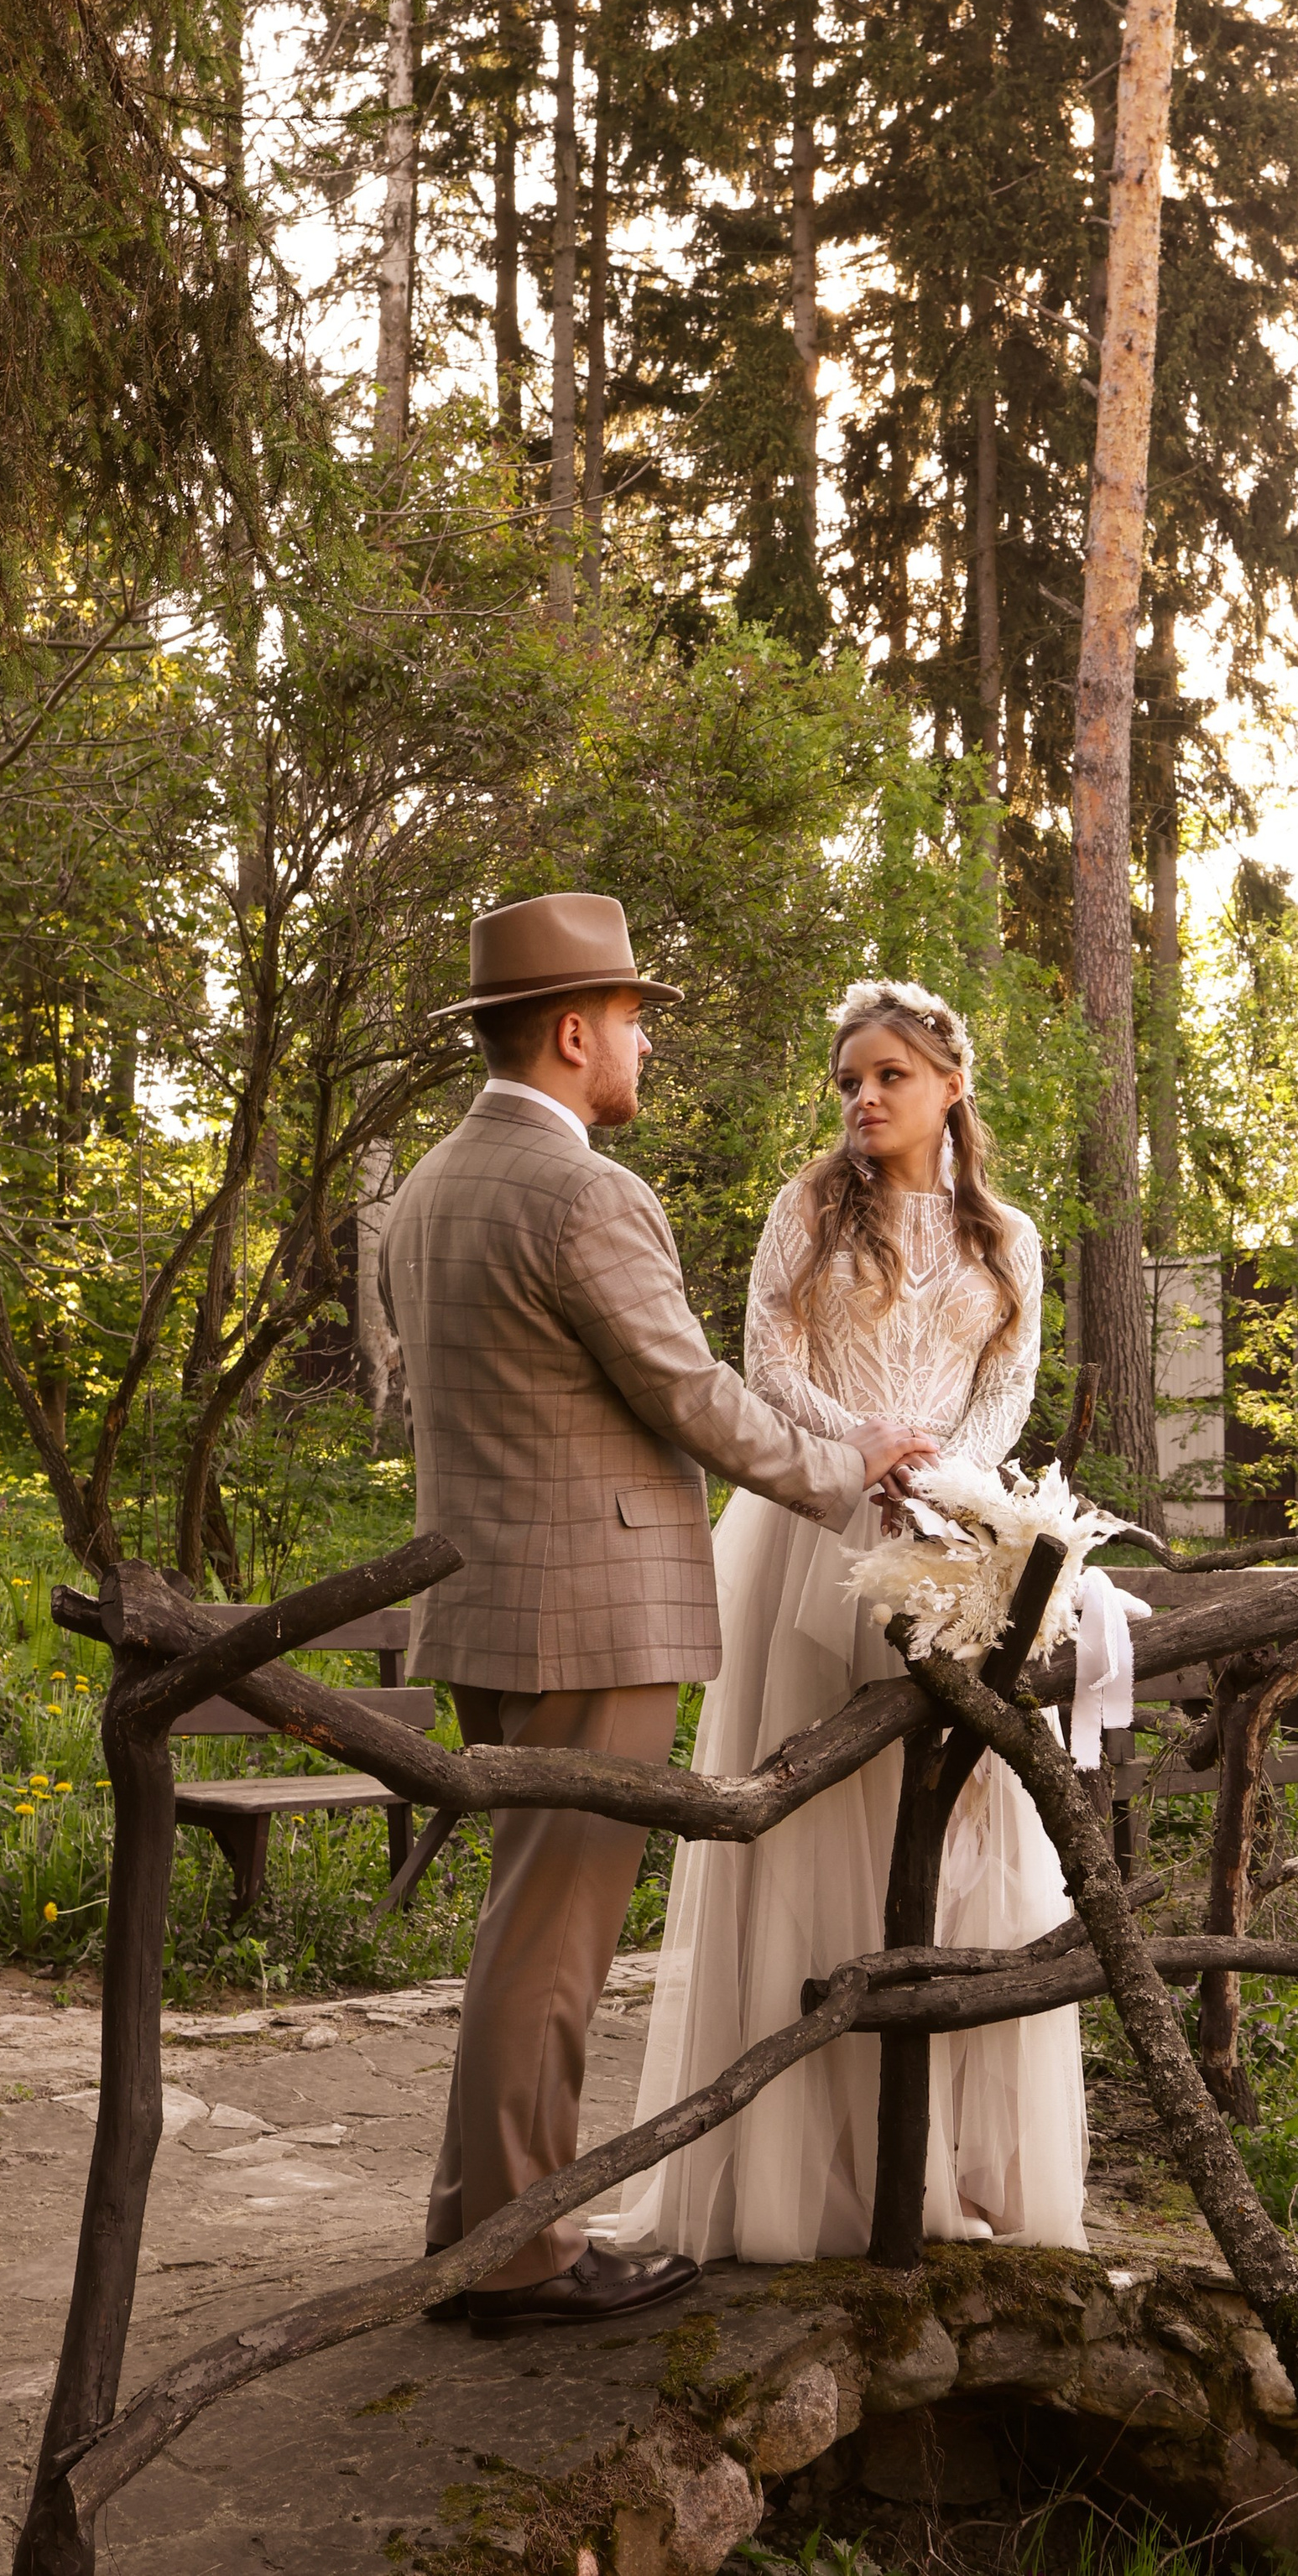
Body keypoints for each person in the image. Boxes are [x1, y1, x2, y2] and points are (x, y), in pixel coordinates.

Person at [379, 895, 939, 2332]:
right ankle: (520, 2257)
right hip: (594, 1617)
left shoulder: (433, 1186)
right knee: (554, 1940)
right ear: (574, 1033)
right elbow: (690, 1395)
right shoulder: (586, 1196)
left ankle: (472, 2226)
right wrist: (846, 1466)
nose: (644, 1048)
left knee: (525, 1919)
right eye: (633, 1022)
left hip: (485, 1607)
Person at [595, 978, 1090, 2263]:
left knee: (965, 1832)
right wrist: (866, 1449)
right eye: (851, 1082)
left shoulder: (1009, 1236)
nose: (865, 1099)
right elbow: (767, 1365)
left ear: (951, 1086)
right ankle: (797, 2175)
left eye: (890, 1077)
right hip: (818, 1520)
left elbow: (1009, 1383)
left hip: (954, 1527)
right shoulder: (807, 1210)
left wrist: (947, 1480)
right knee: (818, 1824)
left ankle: (949, 2160)